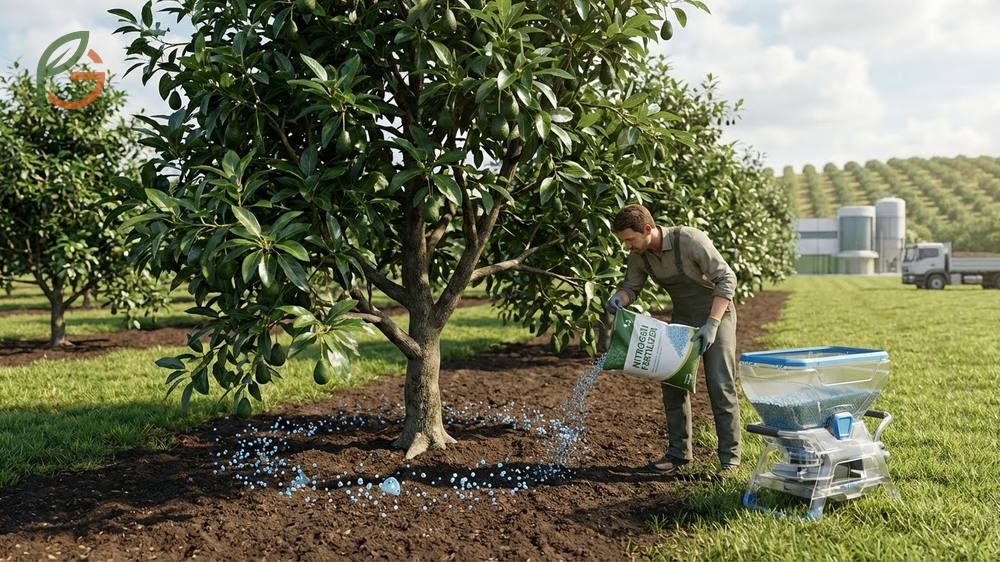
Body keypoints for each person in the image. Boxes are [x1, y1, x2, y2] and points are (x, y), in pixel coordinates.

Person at [605, 204, 740, 477]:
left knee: (720, 384)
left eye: (630, 239)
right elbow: (631, 286)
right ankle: (678, 455)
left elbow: (727, 278)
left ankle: (730, 460)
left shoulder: (689, 240)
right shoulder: (639, 254)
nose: (627, 246)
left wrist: (713, 324)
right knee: (672, 384)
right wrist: (619, 298)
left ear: (647, 229)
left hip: (717, 315)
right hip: (683, 319)